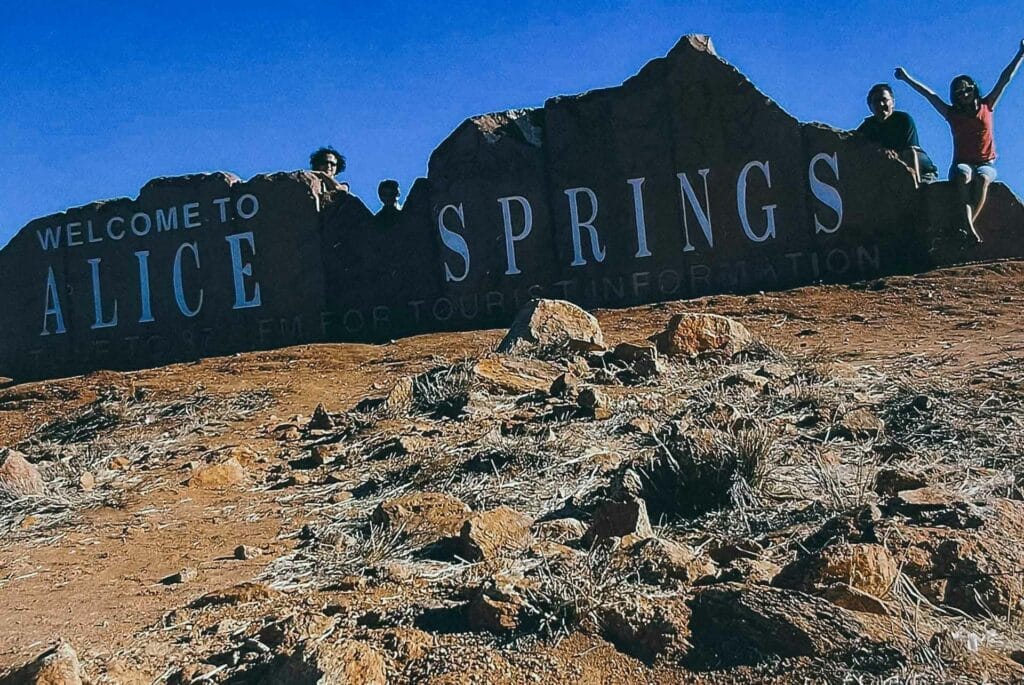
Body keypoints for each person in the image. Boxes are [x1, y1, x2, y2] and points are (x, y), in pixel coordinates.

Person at [895, 41, 1024, 242]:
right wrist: (905, 78)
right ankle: (968, 229)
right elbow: (929, 95)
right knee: (964, 176)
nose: (964, 95)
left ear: (974, 89)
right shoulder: (952, 114)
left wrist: (1021, 54)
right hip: (962, 162)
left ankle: (967, 225)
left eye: (967, 90)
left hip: (985, 163)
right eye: (959, 92)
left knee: (982, 179)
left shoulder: (987, 106)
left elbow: (1005, 79)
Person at [855, 83, 938, 184]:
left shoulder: (903, 120)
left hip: (921, 172)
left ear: (893, 102)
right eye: (876, 101)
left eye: (884, 100)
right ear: (870, 106)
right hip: (891, 175)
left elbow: (911, 153)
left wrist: (916, 185)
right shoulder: (867, 127)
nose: (881, 104)